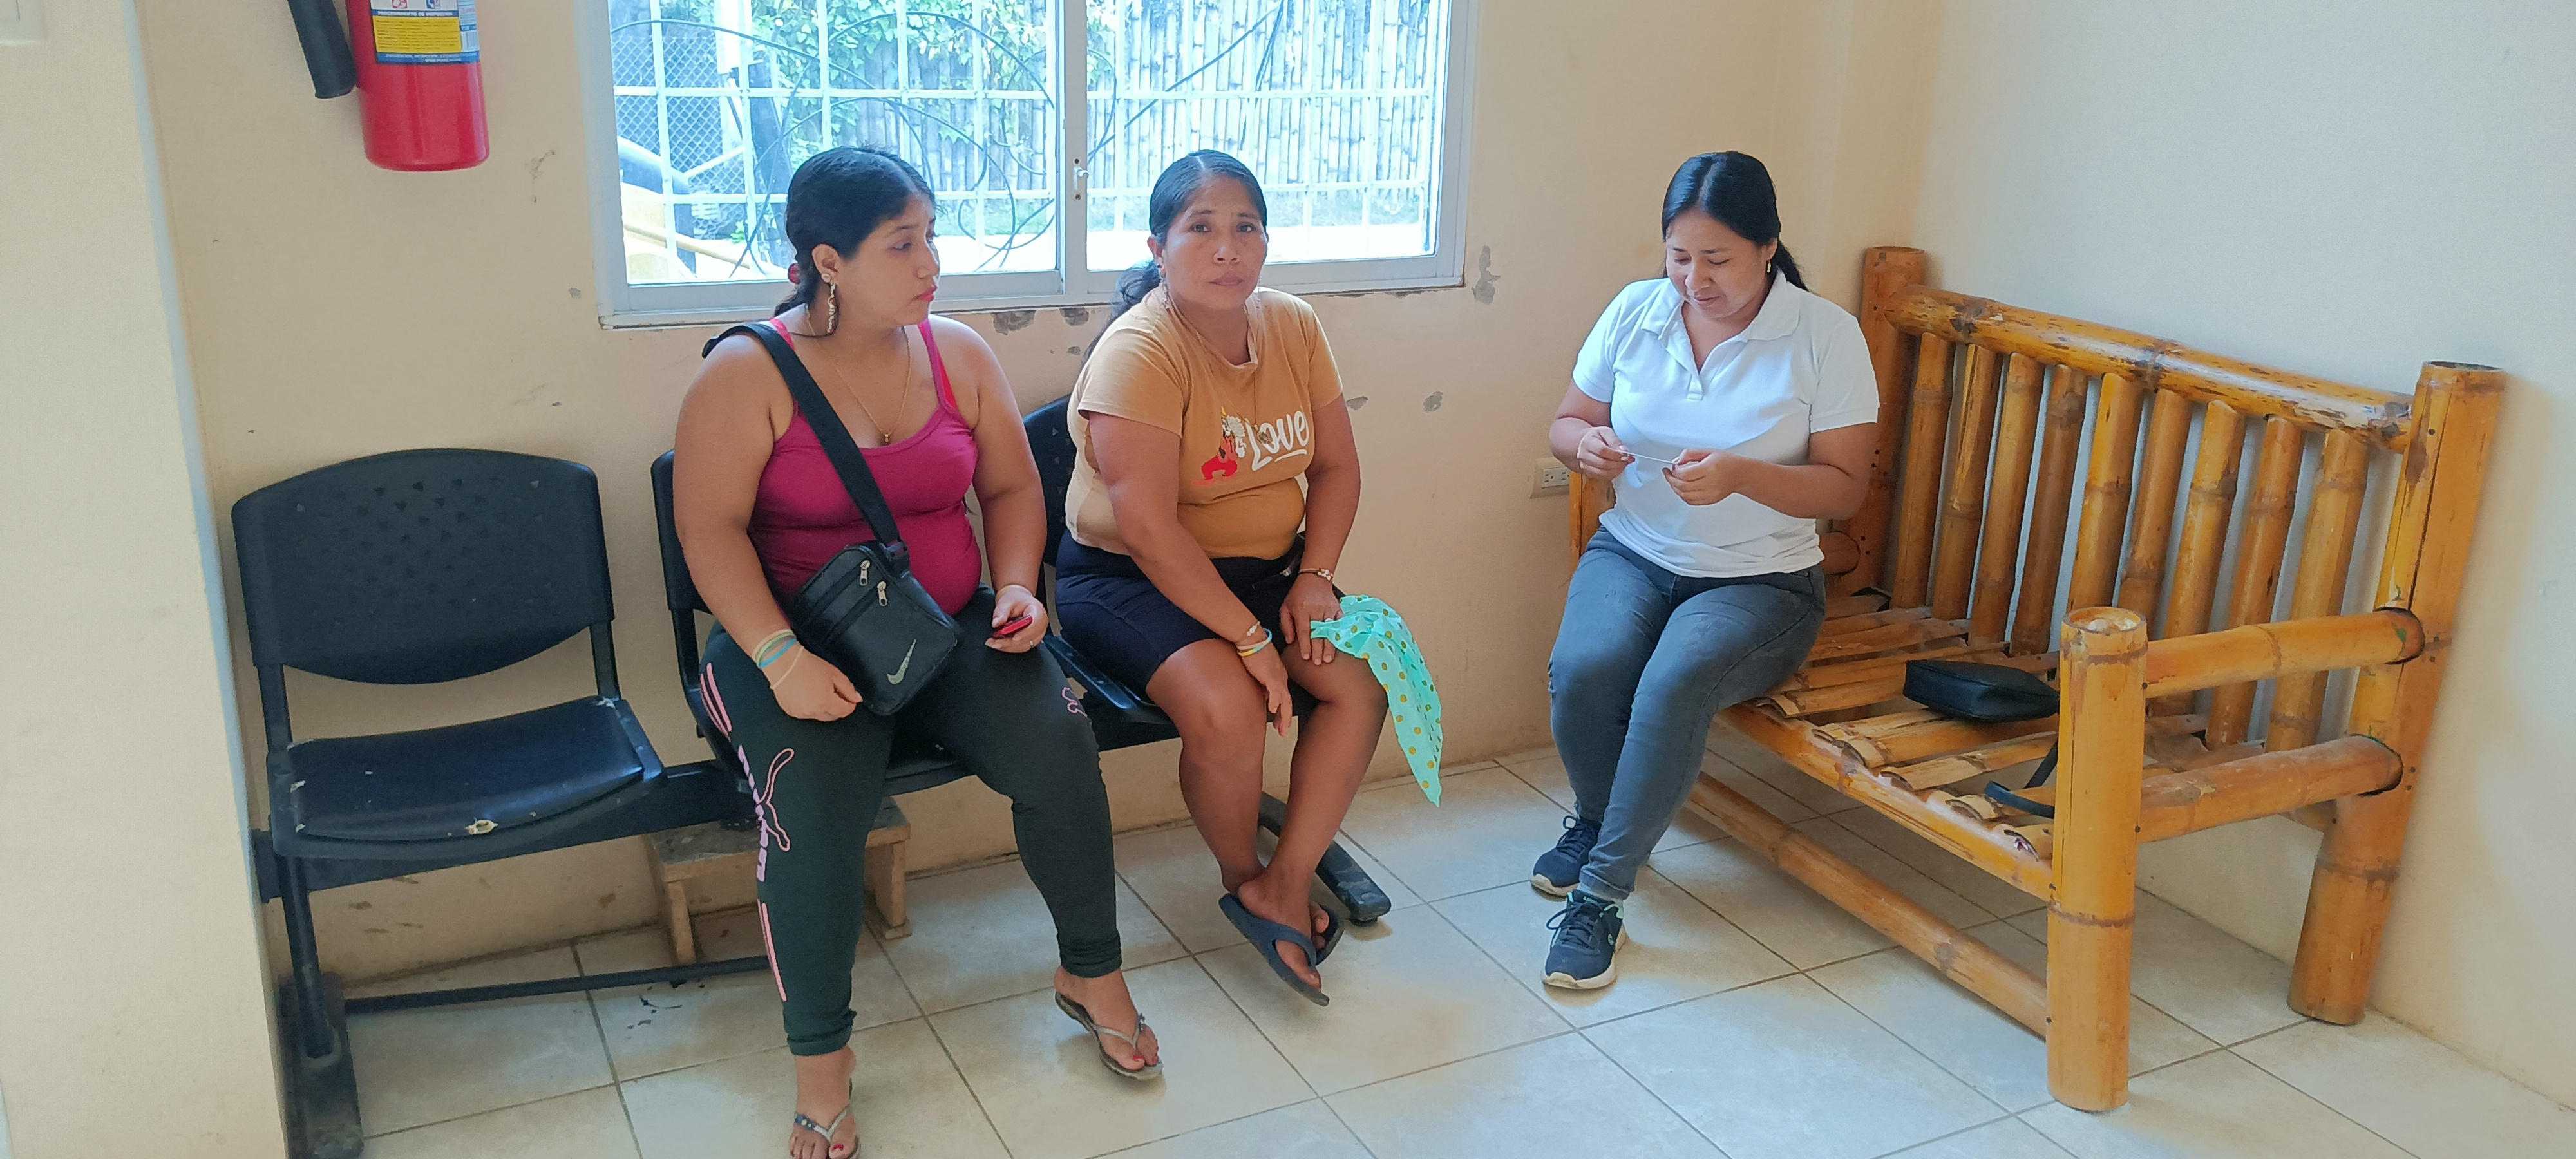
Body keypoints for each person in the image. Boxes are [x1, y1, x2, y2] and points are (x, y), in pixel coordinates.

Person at [673, 147, 1157, 1159]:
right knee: (814, 811)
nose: (933, 262)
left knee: (1058, 744)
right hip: (792, 648)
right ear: (829, 262)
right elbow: (708, 532)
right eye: (904, 244)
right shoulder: (745, 373)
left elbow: (1012, 491)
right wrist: (779, 658)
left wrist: (1016, 586)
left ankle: (1091, 970)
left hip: (943, 628)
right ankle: (822, 1062)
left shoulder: (958, 354)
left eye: (931, 236)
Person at [1537, 151, 1879, 989]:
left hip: (1761, 582)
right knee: (1584, 668)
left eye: (1718, 259)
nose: (1695, 280)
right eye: (1679, 256)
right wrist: (1587, 446)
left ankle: (1601, 895)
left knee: (1671, 683)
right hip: (1636, 551)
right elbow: (1567, 421)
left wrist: (1743, 475)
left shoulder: (1824, 335)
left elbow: (1846, 488)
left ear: (1768, 248)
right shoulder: (1636, 310)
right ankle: (1599, 820)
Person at [1054, 150, 1385, 1006]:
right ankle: (1245, 876)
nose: (1227, 248)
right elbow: (1147, 530)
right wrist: (1249, 642)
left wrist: (1316, 576)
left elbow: (1339, 468)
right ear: (1159, 248)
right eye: (1200, 228)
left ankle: (1286, 882)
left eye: (1246, 228)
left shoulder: (1294, 326)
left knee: (1357, 687)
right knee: (1229, 707)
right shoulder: (1141, 350)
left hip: (1268, 573)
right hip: (1129, 580)